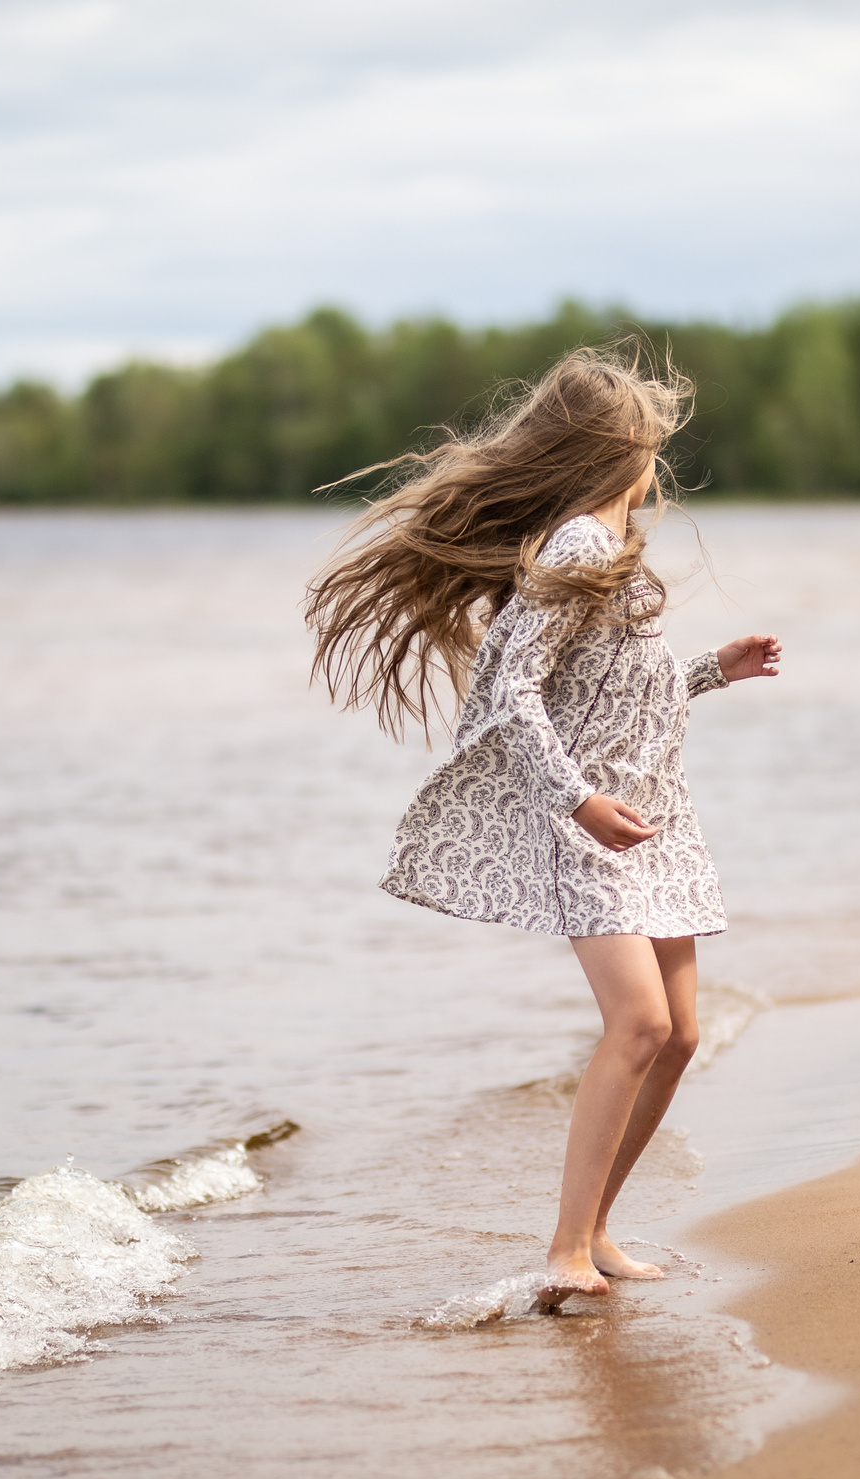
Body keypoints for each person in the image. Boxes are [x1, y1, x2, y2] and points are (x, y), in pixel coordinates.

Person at [305, 342, 782, 1309]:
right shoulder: (574, 544)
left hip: (654, 818)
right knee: (639, 1021)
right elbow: (508, 692)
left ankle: (597, 1230)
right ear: (617, 453)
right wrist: (575, 802)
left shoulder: (612, 553)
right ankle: (566, 1248)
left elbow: (616, 693)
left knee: (682, 1032)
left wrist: (707, 673)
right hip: (593, 825)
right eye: (648, 444)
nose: (657, 462)